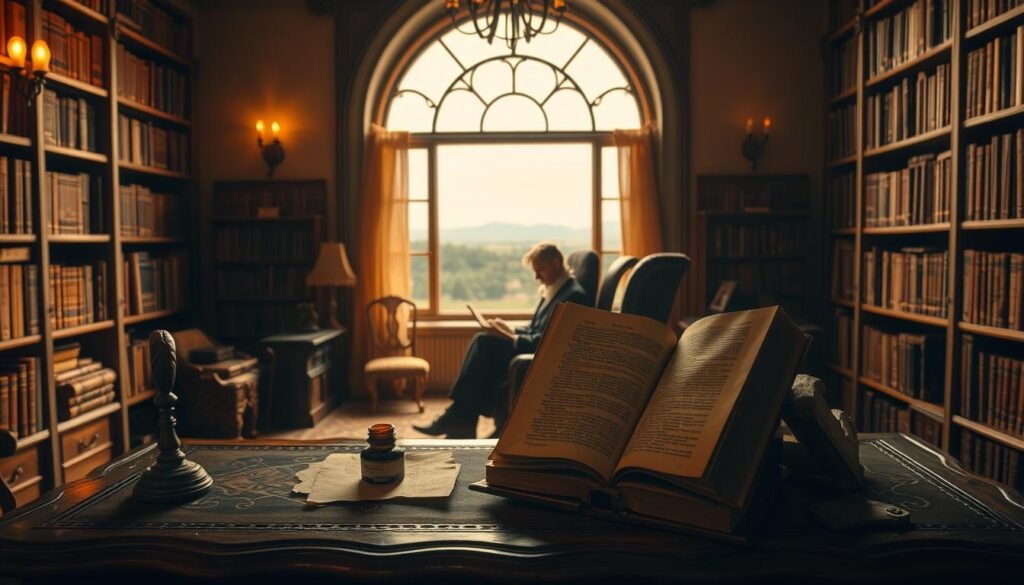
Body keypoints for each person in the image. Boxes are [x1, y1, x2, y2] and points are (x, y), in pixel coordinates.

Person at [413, 242, 587, 439]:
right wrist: (508, 328)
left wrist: (512, 339)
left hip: (544, 359)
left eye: (540, 270)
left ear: (556, 263)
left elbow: (552, 341)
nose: (537, 277)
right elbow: (535, 329)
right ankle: (461, 418)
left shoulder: (573, 296)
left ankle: (460, 418)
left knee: (483, 344)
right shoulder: (555, 289)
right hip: (530, 347)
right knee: (483, 339)